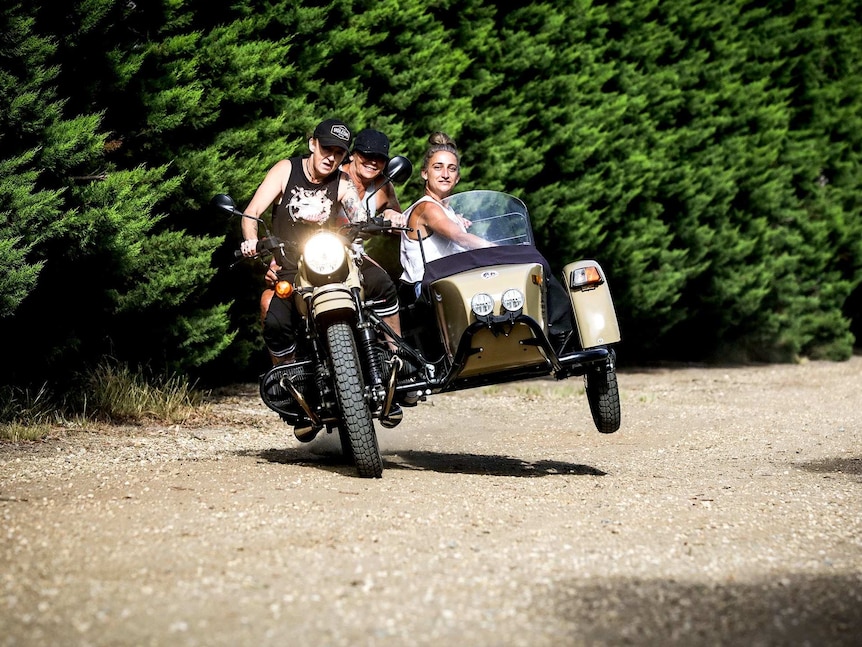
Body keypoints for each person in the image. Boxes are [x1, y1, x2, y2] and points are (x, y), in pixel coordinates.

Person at [240, 118, 401, 364]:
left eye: (339, 153)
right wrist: (251, 240)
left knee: (382, 283)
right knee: (276, 321)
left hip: (333, 261)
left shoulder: (343, 181)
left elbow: (357, 215)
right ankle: (288, 376)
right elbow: (251, 214)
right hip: (292, 265)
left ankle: (396, 356)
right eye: (327, 149)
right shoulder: (286, 170)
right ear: (313, 144)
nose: (331, 158)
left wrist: (377, 221)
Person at [399, 132, 575, 350]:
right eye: (438, 167)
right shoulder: (427, 208)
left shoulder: (446, 209)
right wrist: (496, 250)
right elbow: (459, 237)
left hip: (450, 275)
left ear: (458, 177)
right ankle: (556, 331)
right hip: (430, 285)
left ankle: (531, 335)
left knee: (524, 266)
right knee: (521, 260)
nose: (445, 174)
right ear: (425, 174)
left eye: (451, 169)